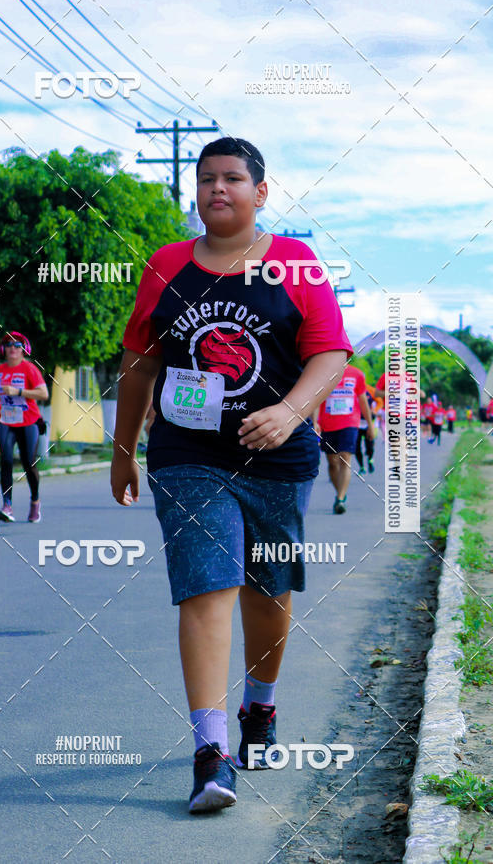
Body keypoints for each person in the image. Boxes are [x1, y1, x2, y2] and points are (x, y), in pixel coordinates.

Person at [111, 137, 351, 813]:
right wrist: (123, 448)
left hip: (277, 457)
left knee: (266, 588)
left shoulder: (294, 265)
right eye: (207, 179)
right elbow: (140, 363)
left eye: (233, 179)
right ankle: (210, 755)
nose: (219, 189)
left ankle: (260, 710)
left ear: (260, 192)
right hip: (189, 455)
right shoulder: (165, 267)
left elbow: (330, 353)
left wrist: (290, 411)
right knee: (206, 583)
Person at [0, 331, 48, 523]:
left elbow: (43, 394)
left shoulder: (29, 369)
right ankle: (7, 505)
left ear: (23, 350)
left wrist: (18, 391)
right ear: (3, 350)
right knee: (7, 461)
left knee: (29, 463)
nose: (12, 348)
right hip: (5, 421)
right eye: (9, 345)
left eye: (17, 345)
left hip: (28, 421)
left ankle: (35, 501)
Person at [318, 365, 375, 513]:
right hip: (327, 424)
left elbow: (363, 401)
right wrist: (315, 422)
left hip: (349, 422)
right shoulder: (323, 371)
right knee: (332, 463)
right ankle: (340, 492)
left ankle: (340, 498)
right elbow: (316, 399)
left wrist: (370, 425)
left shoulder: (356, 374)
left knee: (344, 458)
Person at [355, 389, 377, 474]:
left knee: (370, 446)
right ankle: (361, 467)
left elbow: (373, 408)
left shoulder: (368, 394)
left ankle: (370, 460)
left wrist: (372, 416)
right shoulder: (352, 393)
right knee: (357, 447)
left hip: (367, 424)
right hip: (356, 425)